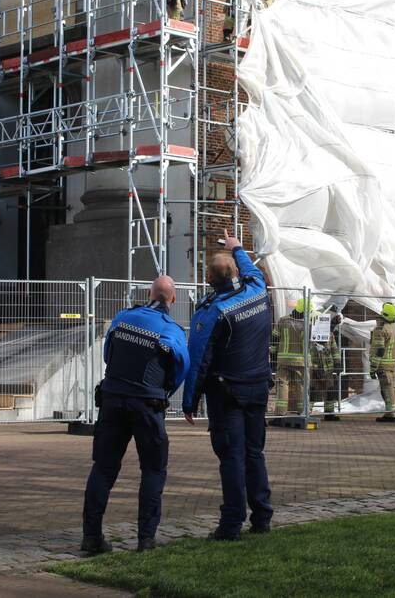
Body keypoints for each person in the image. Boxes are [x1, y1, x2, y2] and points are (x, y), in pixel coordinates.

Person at [81, 276, 189, 556]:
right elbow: (180, 370)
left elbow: (108, 355)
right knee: (153, 470)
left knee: (103, 468)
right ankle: (146, 540)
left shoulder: (121, 318)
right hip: (148, 405)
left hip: (112, 399)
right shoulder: (173, 331)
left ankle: (91, 537)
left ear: (148, 293)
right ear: (173, 300)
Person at [182, 229, 273, 541]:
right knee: (254, 454)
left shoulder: (212, 312)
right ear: (236, 272)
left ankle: (231, 523)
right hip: (258, 388)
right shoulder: (259, 290)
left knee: (231, 457)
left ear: (209, 279)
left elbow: (198, 361)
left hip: (227, 394)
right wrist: (237, 248)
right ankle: (262, 516)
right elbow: (251, 271)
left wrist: (188, 401)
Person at [369, 302, 395, 422]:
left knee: (386, 390)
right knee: (393, 389)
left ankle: (390, 414)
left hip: (382, 365)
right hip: (392, 364)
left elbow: (379, 350)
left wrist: (373, 368)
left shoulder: (381, 329)